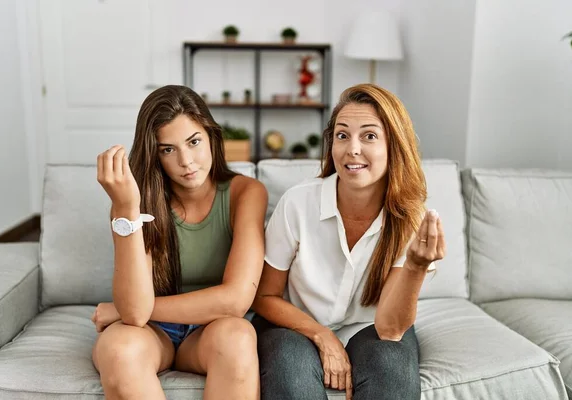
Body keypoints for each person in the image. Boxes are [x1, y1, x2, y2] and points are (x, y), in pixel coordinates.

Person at [251, 83, 445, 400]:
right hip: (295, 325)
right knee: (290, 369)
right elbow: (264, 296)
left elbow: (390, 329)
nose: (352, 149)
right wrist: (321, 335)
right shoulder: (298, 203)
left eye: (369, 136)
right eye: (342, 135)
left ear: (394, 146)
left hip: (370, 326)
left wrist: (416, 265)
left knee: (393, 369)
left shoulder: (410, 218)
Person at [91, 85, 268, 400]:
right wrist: (126, 209)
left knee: (238, 337)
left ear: (211, 136)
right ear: (154, 154)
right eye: (168, 149)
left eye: (194, 142)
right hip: (151, 331)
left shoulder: (246, 193)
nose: (186, 161)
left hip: (209, 330)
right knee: (120, 351)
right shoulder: (134, 203)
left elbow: (236, 301)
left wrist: (128, 310)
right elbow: (134, 315)